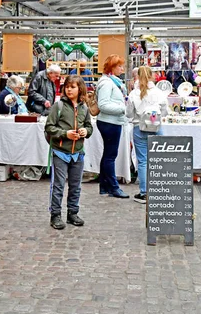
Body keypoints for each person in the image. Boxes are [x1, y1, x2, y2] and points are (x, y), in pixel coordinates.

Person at [44, 75, 93, 230]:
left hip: (78, 152)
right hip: (60, 152)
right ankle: (55, 215)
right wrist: (66, 134)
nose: (69, 89)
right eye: (67, 86)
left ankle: (72, 213)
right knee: (58, 185)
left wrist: (86, 131)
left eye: (73, 87)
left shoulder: (84, 108)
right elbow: (49, 127)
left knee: (76, 185)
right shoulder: (58, 106)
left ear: (80, 89)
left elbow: (89, 126)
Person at [126, 66, 168, 203]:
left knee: (143, 161)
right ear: (152, 76)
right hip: (156, 128)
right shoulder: (159, 93)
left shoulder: (134, 94)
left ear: (137, 76)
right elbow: (165, 111)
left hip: (139, 128)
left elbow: (129, 114)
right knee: (157, 160)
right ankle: (159, 190)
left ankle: (144, 192)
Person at [96, 54, 129, 198]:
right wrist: (123, 109)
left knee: (108, 154)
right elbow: (103, 105)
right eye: (119, 66)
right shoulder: (107, 83)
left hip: (112, 121)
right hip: (109, 122)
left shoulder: (113, 82)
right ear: (112, 67)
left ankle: (104, 186)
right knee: (110, 155)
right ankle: (113, 187)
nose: (122, 69)